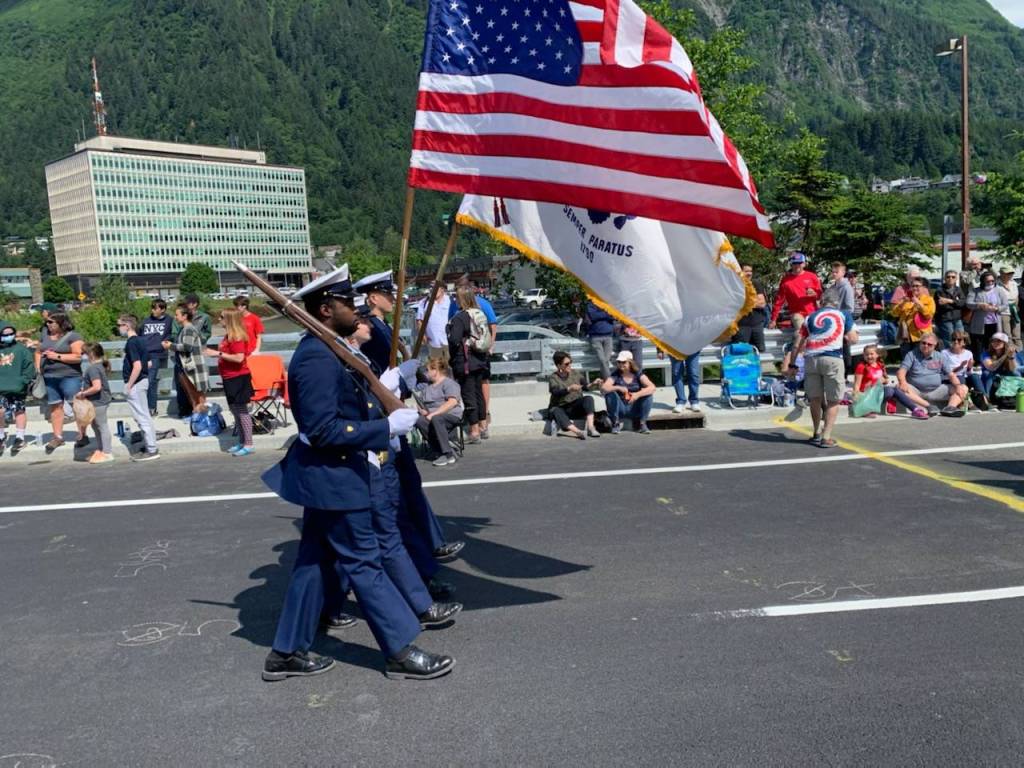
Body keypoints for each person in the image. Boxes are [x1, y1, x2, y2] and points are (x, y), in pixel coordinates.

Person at [259, 265, 455, 682]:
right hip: (334, 478)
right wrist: (384, 428)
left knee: (313, 563)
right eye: (348, 302)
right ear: (326, 308)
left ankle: (287, 652)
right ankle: (400, 649)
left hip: (332, 477)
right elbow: (323, 429)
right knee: (365, 562)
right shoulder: (315, 357)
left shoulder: (331, 349)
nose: (357, 308)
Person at [792, 298, 858, 448]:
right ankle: (826, 436)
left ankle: (815, 433)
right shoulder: (843, 314)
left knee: (815, 398)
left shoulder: (809, 317)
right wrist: (845, 338)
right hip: (832, 358)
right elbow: (853, 338)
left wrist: (792, 363)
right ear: (837, 303)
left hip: (811, 359)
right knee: (834, 399)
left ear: (820, 304)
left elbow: (798, 342)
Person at [447, 276, 497, 437]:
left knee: (468, 395)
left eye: (456, 297)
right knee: (479, 394)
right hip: (480, 358)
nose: (455, 299)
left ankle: (474, 430)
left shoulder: (460, 317)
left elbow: (454, 339)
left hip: (466, 361)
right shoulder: (479, 311)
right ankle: (483, 425)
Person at [205, 308, 253, 456]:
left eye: (221, 317)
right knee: (234, 410)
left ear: (229, 320)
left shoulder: (237, 337)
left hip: (238, 377)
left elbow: (239, 358)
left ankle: (248, 444)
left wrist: (217, 353)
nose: (219, 320)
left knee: (242, 411)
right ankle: (241, 441)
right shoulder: (228, 336)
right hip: (229, 377)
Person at [36, 311, 84, 453]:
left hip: (69, 376)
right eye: (47, 322)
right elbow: (38, 351)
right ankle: (57, 437)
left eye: (51, 322)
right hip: (50, 377)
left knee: (76, 406)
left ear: (61, 323)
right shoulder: (45, 335)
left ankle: (82, 434)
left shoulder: (73, 336)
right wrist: (38, 368)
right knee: (55, 407)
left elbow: (77, 357)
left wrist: (56, 356)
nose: (48, 324)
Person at [117, 315, 159, 461]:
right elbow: (148, 364)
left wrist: (129, 384)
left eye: (119, 325)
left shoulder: (131, 343)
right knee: (143, 416)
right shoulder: (142, 340)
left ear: (127, 326)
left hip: (136, 383)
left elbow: (138, 366)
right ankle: (150, 446)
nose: (119, 328)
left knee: (142, 417)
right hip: (143, 381)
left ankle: (152, 450)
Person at [896, 333, 967, 418]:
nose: (926, 346)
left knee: (963, 388)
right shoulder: (911, 354)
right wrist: (903, 382)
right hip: (916, 390)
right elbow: (901, 372)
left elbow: (951, 375)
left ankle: (950, 408)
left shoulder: (940, 356)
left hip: (936, 390)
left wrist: (958, 386)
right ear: (920, 343)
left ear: (935, 346)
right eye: (923, 343)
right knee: (898, 387)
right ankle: (929, 406)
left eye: (929, 344)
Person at [415, 357, 464, 465]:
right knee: (418, 419)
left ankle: (448, 454)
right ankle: (439, 450)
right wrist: (422, 411)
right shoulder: (427, 388)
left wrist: (433, 414)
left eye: (428, 370)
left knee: (437, 418)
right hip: (432, 417)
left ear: (435, 371)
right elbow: (422, 405)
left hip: (450, 415)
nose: (426, 373)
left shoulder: (449, 384)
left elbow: (452, 402)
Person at [164, 304, 209, 419]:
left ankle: (203, 419)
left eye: (177, 315)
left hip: (194, 368)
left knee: (198, 396)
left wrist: (171, 346)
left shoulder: (189, 329)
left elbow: (187, 347)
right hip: (186, 367)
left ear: (184, 316)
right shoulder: (184, 329)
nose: (175, 317)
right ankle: (197, 418)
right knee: (191, 395)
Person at [547, 350, 600, 440]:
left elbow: (585, 386)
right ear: (559, 365)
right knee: (555, 410)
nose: (569, 365)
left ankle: (591, 427)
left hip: (574, 406)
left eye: (570, 362)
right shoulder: (553, 378)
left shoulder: (575, 373)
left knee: (589, 398)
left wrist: (593, 384)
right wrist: (569, 389)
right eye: (566, 364)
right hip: (561, 407)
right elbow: (555, 392)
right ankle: (578, 432)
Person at [0, 323, 35, 456]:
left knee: (19, 411)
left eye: (11, 334)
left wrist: (23, 381)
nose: (9, 336)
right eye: (5, 334)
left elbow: (29, 367)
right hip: (1, 387)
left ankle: (20, 437)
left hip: (17, 387)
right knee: (0, 412)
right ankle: (1, 436)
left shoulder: (21, 349)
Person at [76, 342, 114, 464]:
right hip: (99, 401)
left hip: (98, 401)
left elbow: (97, 387)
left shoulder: (93, 368)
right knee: (96, 426)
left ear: (91, 354)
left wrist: (83, 393)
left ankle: (107, 452)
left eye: (84, 353)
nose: (83, 355)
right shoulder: (99, 366)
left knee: (101, 426)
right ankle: (101, 450)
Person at [602, 350, 656, 434]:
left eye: (623, 362)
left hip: (634, 407)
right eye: (619, 362)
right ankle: (615, 423)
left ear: (630, 362)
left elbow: (652, 387)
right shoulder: (615, 375)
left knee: (648, 395)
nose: (621, 364)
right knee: (610, 393)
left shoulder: (638, 374)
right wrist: (618, 387)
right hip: (620, 408)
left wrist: (637, 394)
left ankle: (642, 424)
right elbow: (604, 387)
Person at [769, 251, 821, 331]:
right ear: (791, 264)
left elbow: (821, 294)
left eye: (799, 263)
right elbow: (779, 300)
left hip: (813, 312)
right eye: (794, 263)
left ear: (804, 264)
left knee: (815, 333)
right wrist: (773, 319)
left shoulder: (812, 276)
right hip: (797, 313)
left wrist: (815, 294)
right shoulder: (786, 280)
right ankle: (799, 343)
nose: (797, 266)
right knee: (801, 331)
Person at [141, 299, 173, 416]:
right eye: (152, 307)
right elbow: (140, 335)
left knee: (150, 380)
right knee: (146, 381)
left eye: (156, 308)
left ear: (163, 309)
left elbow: (173, 334)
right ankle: (148, 407)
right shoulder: (146, 321)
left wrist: (166, 343)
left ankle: (151, 408)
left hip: (157, 354)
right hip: (144, 354)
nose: (153, 310)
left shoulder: (169, 320)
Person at [967, 271, 1007, 362]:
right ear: (983, 281)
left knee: (992, 343)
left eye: (992, 281)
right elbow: (968, 303)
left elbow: (1005, 305)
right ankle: (978, 362)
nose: (990, 283)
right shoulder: (975, 290)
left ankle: (991, 361)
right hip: (980, 323)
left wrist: (997, 308)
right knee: (978, 345)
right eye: (988, 281)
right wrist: (979, 305)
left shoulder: (999, 290)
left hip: (994, 322)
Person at [941, 331, 987, 411]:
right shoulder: (945, 353)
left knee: (975, 377)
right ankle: (969, 403)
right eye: (953, 339)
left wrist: (969, 367)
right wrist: (960, 367)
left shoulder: (968, 353)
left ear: (964, 342)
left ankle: (985, 401)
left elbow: (968, 372)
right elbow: (947, 372)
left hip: (963, 376)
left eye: (959, 340)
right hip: (950, 378)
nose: (955, 342)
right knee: (960, 377)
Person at [891, 277, 936, 357]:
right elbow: (894, 313)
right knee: (906, 358)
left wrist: (919, 303)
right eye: (913, 286)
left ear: (923, 288)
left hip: (921, 336)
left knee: (920, 359)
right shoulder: (905, 299)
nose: (915, 288)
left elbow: (929, 315)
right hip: (906, 336)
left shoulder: (929, 300)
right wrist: (903, 303)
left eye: (917, 286)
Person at [731, 264, 767, 352]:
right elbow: (734, 303)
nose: (749, 273)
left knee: (759, 350)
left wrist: (745, 303)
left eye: (750, 271)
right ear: (740, 271)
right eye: (746, 271)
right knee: (741, 352)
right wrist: (753, 301)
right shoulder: (735, 285)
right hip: (741, 325)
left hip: (757, 323)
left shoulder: (756, 283)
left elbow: (762, 303)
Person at [980, 332, 1020, 408]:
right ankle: (987, 399)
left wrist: (1011, 357)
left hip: (1002, 375)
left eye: (998, 341)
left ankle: (1015, 396)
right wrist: (1005, 356)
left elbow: (1012, 369)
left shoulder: (1010, 352)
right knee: (987, 373)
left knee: (1016, 373)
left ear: (1005, 343)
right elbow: (991, 367)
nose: (995, 343)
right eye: (993, 341)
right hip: (990, 376)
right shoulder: (986, 353)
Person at [414, 284, 451, 361]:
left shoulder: (450, 301)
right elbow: (419, 321)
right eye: (431, 287)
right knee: (436, 366)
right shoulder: (423, 303)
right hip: (433, 342)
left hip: (449, 342)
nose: (432, 289)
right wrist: (423, 336)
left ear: (442, 289)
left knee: (450, 367)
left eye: (435, 287)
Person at [935, 270, 966, 348]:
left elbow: (963, 303)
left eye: (953, 277)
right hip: (945, 319)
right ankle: (948, 357)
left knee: (960, 337)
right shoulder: (940, 290)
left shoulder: (958, 289)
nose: (950, 278)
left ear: (956, 279)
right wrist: (956, 303)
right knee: (949, 339)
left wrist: (949, 301)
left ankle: (958, 355)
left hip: (957, 319)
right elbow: (942, 306)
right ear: (944, 278)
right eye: (948, 277)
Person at [585, 300, 616, 379]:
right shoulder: (590, 304)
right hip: (595, 336)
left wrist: (600, 314)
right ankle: (610, 380)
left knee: (606, 360)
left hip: (608, 336)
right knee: (602, 360)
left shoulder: (608, 302)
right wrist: (606, 313)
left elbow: (613, 315)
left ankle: (605, 381)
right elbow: (593, 316)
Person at [997, 266, 1021, 348]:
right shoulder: (996, 285)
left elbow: (1016, 297)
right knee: (1007, 335)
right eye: (1008, 273)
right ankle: (1011, 354)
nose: (1010, 275)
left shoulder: (1014, 283)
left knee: (1017, 334)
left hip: (1014, 310)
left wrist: (1015, 307)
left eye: (1012, 273)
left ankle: (1021, 354)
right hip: (1004, 312)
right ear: (1002, 274)